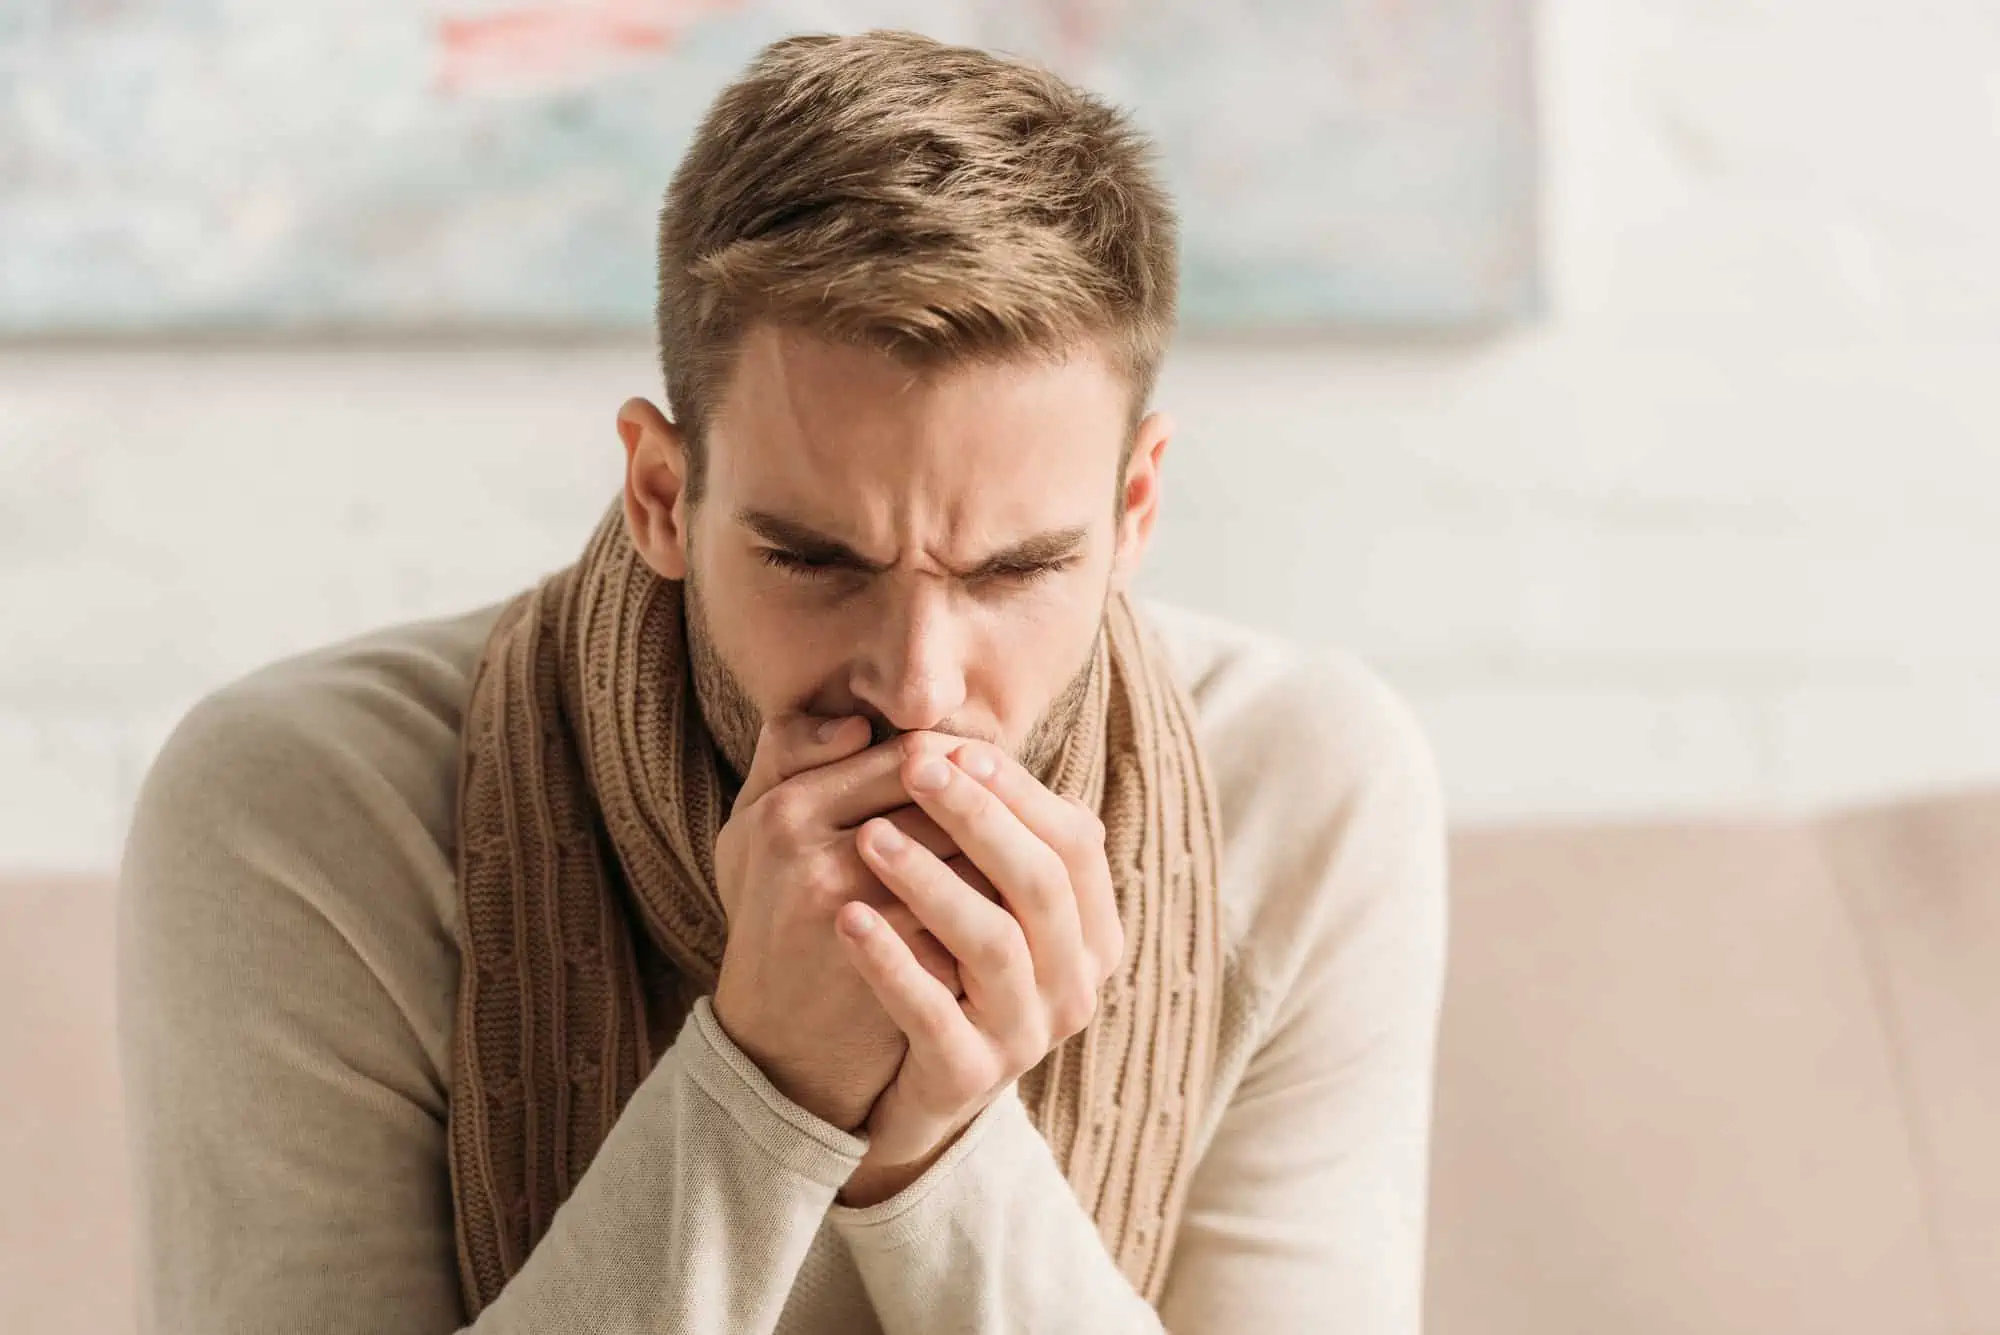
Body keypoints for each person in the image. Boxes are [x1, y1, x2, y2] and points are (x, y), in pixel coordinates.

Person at [118, 29, 1448, 1335]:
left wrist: (935, 1153)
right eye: (815, 560)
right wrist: (768, 1090)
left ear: (1135, 507)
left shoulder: (1299, 789)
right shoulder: (304, 806)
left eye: (1017, 570)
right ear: (662, 493)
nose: (919, 685)